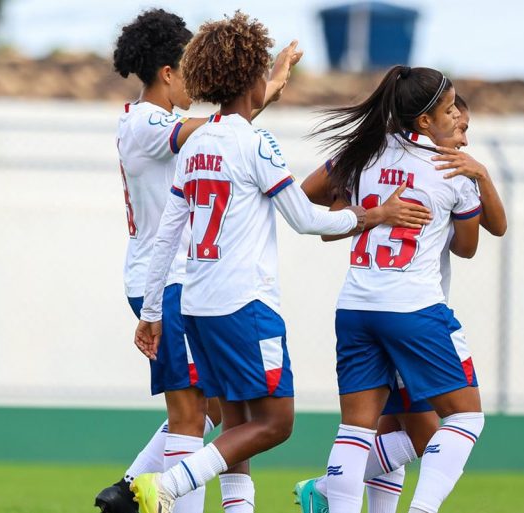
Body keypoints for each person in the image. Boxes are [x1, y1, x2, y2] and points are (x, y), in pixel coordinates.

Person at [127, 12, 366, 513]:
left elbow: (168, 235)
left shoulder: (196, 145)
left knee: (235, 426)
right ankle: (166, 485)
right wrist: (369, 215)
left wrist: (151, 312)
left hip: (196, 306)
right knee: (275, 423)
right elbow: (305, 219)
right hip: (245, 306)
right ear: (251, 81)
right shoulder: (257, 142)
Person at [94, 9, 302, 513]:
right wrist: (266, 86)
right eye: (189, 71)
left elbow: (224, 131)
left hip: (176, 279)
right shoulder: (147, 122)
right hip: (165, 279)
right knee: (190, 415)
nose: (197, 83)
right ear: (168, 72)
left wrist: (263, 90)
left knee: (212, 408)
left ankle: (129, 488)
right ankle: (149, 493)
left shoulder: (154, 121)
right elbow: (219, 129)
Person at [295, 93, 507, 513]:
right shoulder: (446, 171)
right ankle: (335, 490)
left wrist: (355, 202)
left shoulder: (368, 151)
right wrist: (476, 180)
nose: (462, 137)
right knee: (442, 429)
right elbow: (475, 243)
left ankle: (327, 490)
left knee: (375, 430)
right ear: (427, 120)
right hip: (413, 312)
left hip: (359, 306)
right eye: (456, 121)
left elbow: (311, 198)